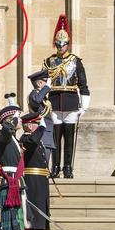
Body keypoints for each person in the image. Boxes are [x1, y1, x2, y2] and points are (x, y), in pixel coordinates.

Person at [42, 14, 90, 179]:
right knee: (55, 137)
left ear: (68, 44)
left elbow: (83, 84)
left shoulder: (75, 61)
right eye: (58, 44)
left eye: (63, 44)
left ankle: (68, 167)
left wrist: (84, 106)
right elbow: (43, 83)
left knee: (69, 137)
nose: (61, 46)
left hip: (70, 101)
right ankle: (55, 166)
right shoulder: (49, 61)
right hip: (54, 102)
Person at [19, 111, 52, 230]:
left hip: (38, 185)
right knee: (29, 225)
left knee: (34, 226)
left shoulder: (33, 139)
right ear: (30, 125)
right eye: (37, 124)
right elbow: (32, 140)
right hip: (32, 186)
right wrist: (41, 129)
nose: (39, 127)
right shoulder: (26, 138)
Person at [26, 68, 56, 163]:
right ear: (39, 83)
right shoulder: (33, 95)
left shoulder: (42, 96)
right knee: (41, 163)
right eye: (46, 81)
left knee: (45, 162)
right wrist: (46, 88)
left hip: (47, 134)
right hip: (41, 133)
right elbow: (36, 102)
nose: (49, 84)